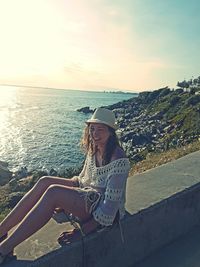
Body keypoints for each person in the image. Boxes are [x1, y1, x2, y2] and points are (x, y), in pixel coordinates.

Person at [0, 107, 130, 264]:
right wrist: (67, 194)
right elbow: (83, 179)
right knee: (45, 181)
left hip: (100, 209)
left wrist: (82, 231)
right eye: (92, 129)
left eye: (100, 130)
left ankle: (3, 250)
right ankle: (1, 231)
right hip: (87, 194)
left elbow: (110, 208)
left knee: (54, 192)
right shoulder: (95, 149)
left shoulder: (119, 160)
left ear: (111, 132)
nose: (94, 134)